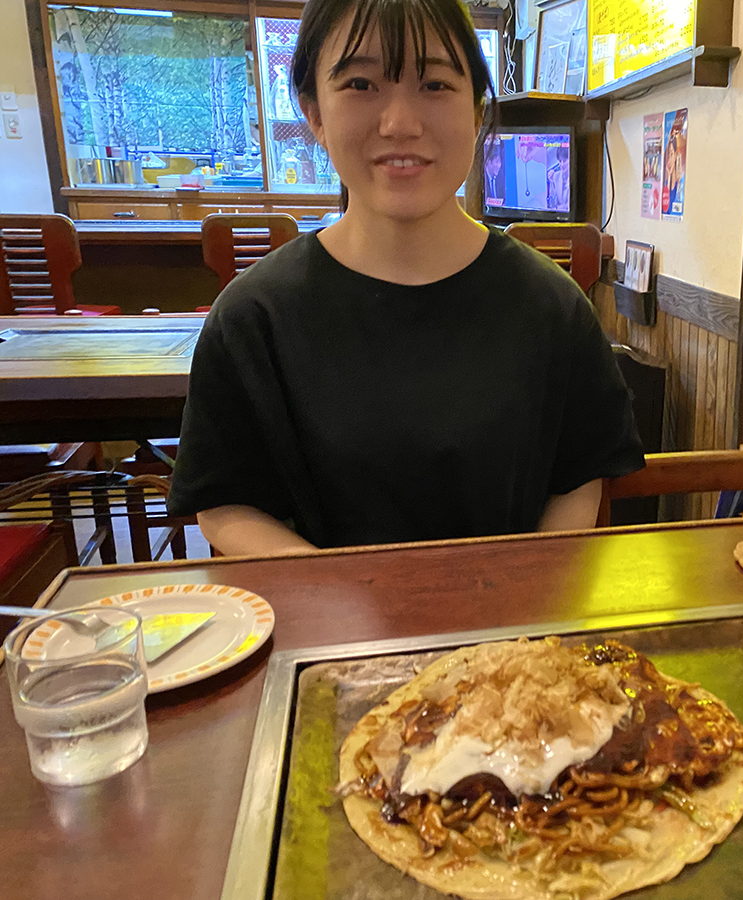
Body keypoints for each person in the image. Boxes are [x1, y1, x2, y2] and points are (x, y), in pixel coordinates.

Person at [167, 0, 644, 555]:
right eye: (361, 83)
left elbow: (577, 478)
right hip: (326, 636)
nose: (400, 124)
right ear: (313, 112)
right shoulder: (252, 318)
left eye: (435, 85)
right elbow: (226, 503)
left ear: (475, 111)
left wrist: (516, 603)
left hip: (508, 632)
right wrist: (348, 603)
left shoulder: (552, 307)